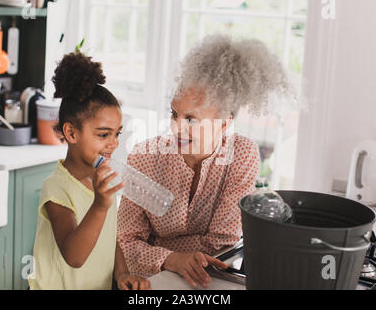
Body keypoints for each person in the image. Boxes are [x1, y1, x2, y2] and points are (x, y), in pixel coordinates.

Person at [117, 34, 292, 288]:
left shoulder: (242, 154)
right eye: (174, 114)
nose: (177, 127)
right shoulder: (145, 157)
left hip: (210, 279)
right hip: (150, 282)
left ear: (224, 123)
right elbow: (125, 243)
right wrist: (172, 258)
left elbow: (223, 240)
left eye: (191, 119)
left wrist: (157, 247)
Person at [29, 52, 150, 290]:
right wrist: (100, 204)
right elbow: (74, 257)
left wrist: (122, 273)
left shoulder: (102, 180)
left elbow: (108, 235)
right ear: (72, 133)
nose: (113, 143)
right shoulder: (56, 188)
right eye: (103, 134)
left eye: (117, 134)